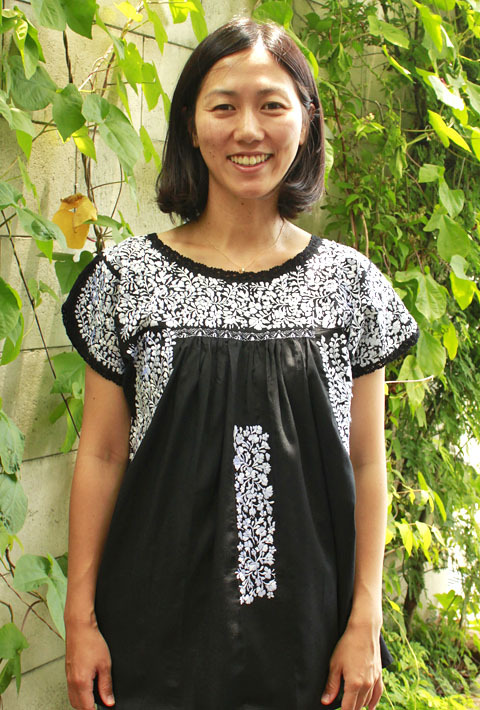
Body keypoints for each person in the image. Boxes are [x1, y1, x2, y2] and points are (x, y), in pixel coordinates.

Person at [62, 17, 419, 710]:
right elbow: (101, 455)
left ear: (306, 123)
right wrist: (80, 618)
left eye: (272, 105)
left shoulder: (351, 285)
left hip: (310, 636)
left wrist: (365, 619)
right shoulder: (126, 280)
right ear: (191, 126)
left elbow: (366, 462)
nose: (248, 130)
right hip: (153, 624)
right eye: (223, 106)